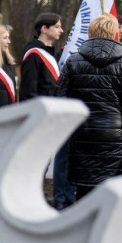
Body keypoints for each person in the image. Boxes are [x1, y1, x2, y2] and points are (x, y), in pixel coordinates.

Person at [56, 14, 122, 199]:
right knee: (110, 189)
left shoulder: (74, 60)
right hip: (113, 134)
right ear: (114, 33)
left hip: (82, 132)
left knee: (84, 189)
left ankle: (84, 224)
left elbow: (59, 98)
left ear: (91, 32)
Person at [20, 12, 73, 209]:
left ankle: (35, 197)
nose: (61, 30)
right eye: (57, 26)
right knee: (35, 161)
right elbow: (29, 89)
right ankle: (28, 200)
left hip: (51, 114)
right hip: (39, 115)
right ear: (44, 28)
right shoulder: (33, 52)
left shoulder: (50, 51)